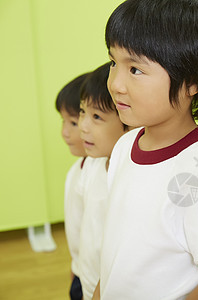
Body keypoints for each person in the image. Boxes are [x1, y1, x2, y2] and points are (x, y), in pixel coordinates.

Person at [95, 0, 198, 299]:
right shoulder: (125, 145)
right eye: (114, 63)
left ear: (192, 83)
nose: (116, 84)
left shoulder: (193, 174)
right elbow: (118, 248)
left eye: (135, 69)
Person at [76, 62, 129, 300]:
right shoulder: (92, 166)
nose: (83, 127)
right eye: (82, 112)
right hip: (87, 284)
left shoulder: (130, 179)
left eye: (96, 116)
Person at [55, 72, 89, 300]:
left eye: (74, 122)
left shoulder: (108, 175)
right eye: (63, 121)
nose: (65, 132)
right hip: (81, 271)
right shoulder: (76, 169)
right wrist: (75, 266)